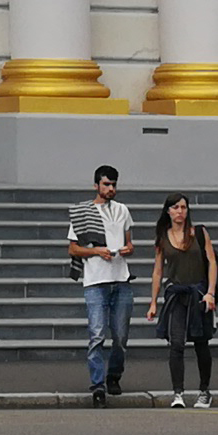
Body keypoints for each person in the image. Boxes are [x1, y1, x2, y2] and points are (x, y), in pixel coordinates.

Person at [65, 164, 136, 404]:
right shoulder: (83, 213)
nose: (111, 188)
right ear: (96, 185)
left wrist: (127, 249)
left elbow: (130, 243)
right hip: (95, 281)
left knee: (121, 336)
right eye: (106, 184)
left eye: (113, 184)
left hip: (121, 278)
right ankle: (98, 385)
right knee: (96, 335)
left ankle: (114, 375)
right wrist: (97, 251)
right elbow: (73, 248)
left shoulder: (123, 210)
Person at [145, 191, 218, 408]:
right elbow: (158, 271)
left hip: (199, 294)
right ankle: (178, 392)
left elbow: (212, 262)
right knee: (176, 344)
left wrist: (210, 292)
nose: (180, 211)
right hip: (176, 295)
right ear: (168, 211)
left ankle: (204, 391)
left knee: (201, 343)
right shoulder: (163, 237)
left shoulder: (199, 233)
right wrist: (153, 302)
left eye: (183, 207)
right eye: (176, 207)